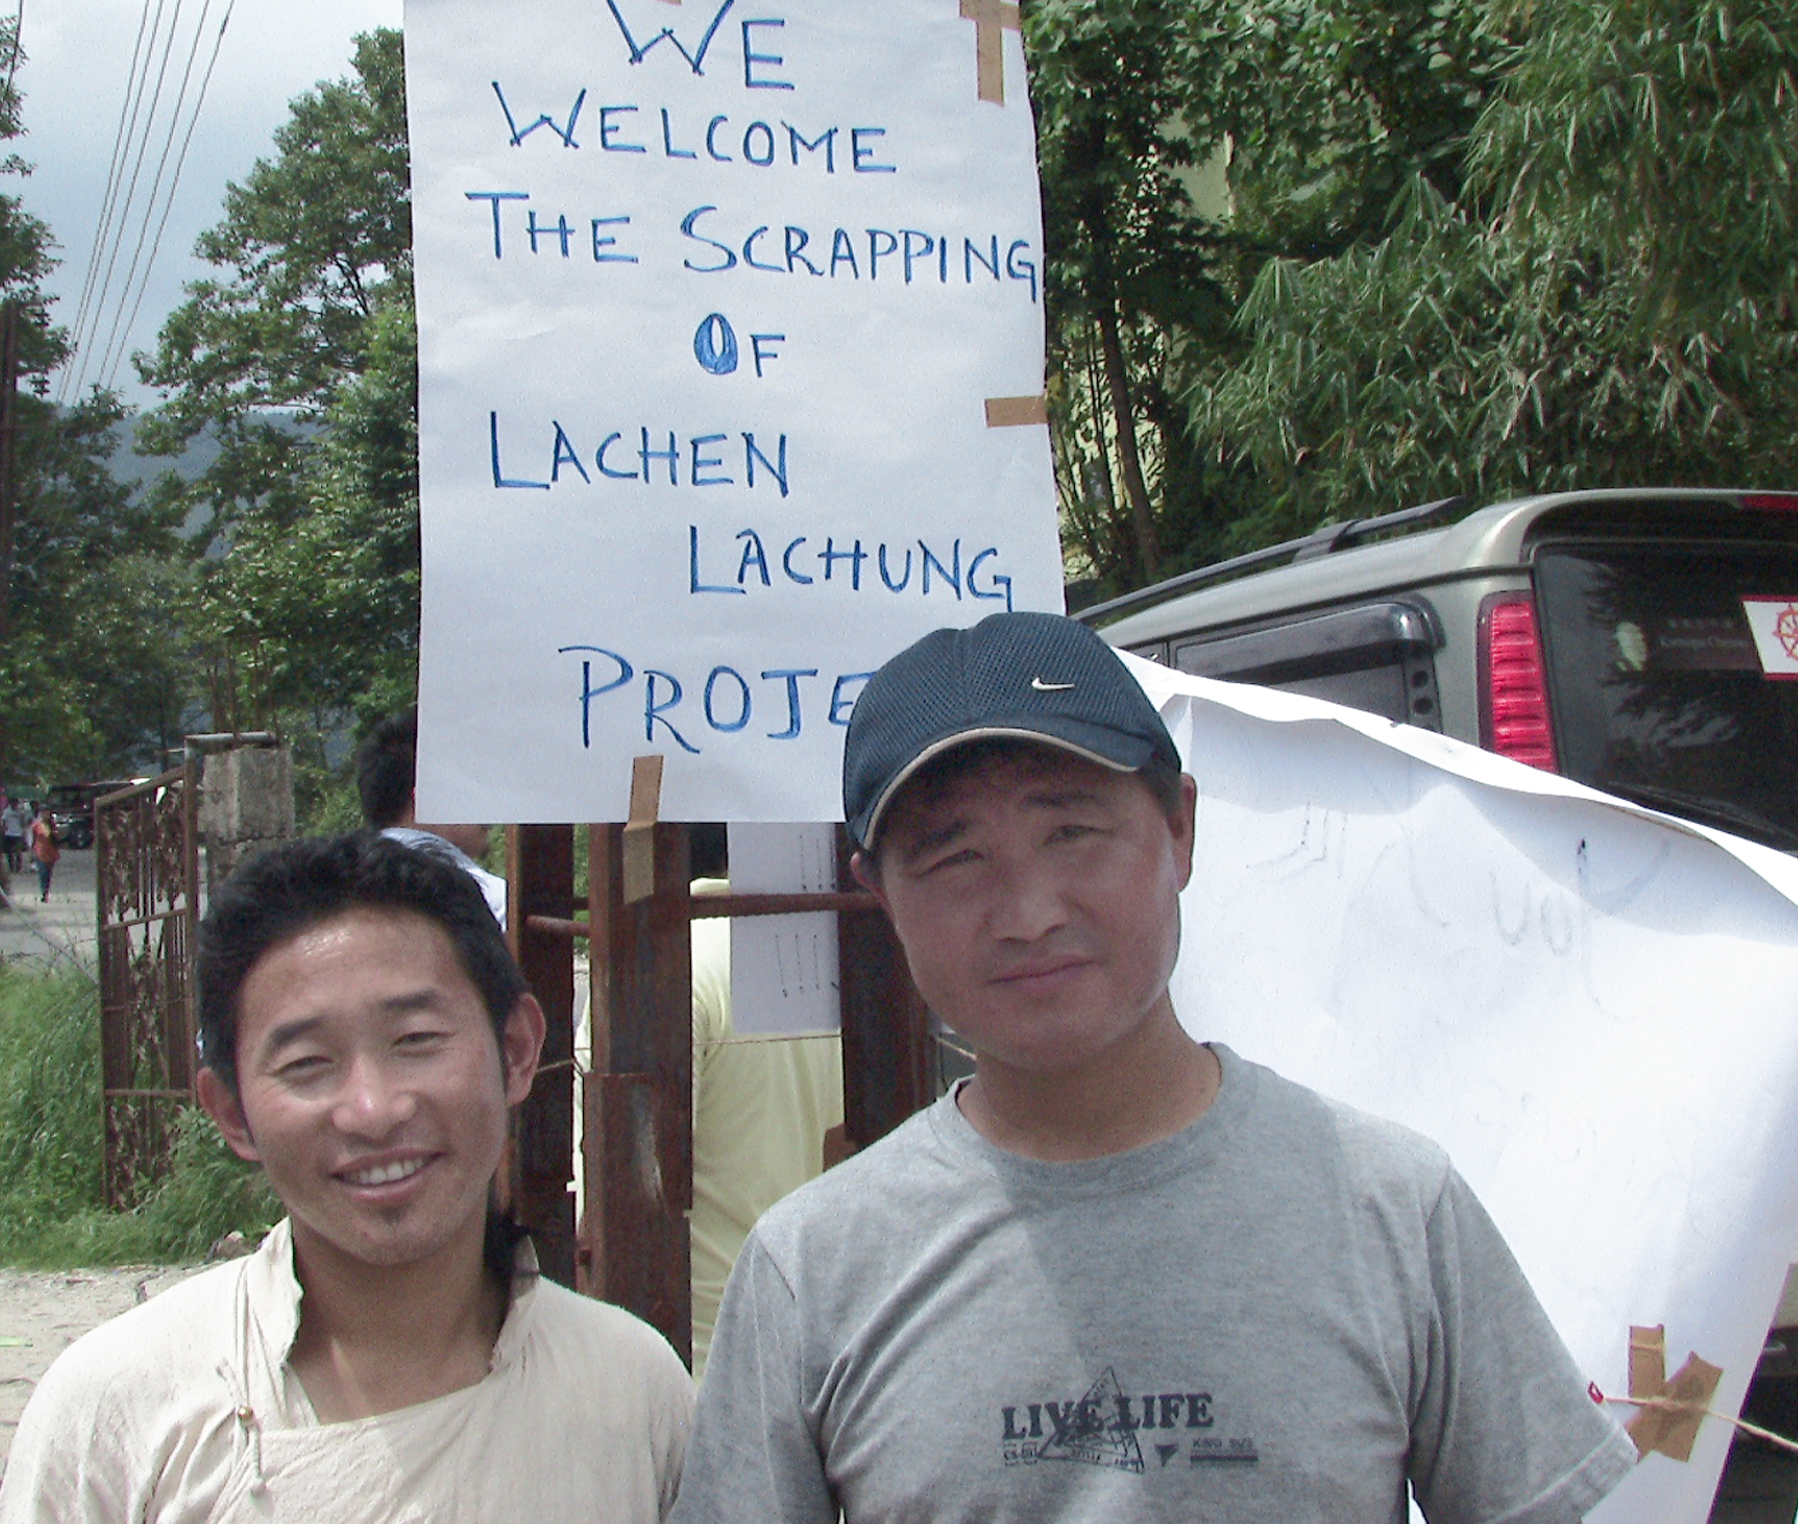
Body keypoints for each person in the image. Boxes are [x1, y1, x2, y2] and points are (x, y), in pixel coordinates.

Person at [670, 611, 1637, 1524]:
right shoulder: (814, 1271)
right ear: (878, 894)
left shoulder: (1391, 1210)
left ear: (1180, 827)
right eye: (956, 857)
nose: (1029, 911)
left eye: (1073, 833)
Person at [0, 834, 692, 1522]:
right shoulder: (120, 1412)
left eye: (416, 1041)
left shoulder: (633, 1391)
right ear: (232, 1113)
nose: (373, 1110)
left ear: (514, 1051)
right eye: (306, 1064)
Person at [683, 824, 844, 1381]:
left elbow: (618, 1196)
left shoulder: (674, 965)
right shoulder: (826, 963)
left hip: (699, 1361)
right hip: (815, 1350)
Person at [356, 708, 507, 925]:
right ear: (428, 797)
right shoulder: (497, 905)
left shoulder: (328, 894)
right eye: (474, 786)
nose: (489, 805)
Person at [27, 802, 58, 903]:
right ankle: (43, 892)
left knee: (48, 873)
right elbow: (32, 839)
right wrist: (31, 852)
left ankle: (46, 890)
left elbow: (57, 838)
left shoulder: (52, 825)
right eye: (44, 812)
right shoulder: (36, 825)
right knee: (42, 872)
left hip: (50, 852)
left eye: (47, 812)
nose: (46, 814)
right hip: (40, 851)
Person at [0, 797, 27, 874]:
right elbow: (4, 821)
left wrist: (23, 832)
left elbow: (22, 822)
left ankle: (18, 867)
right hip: (9, 833)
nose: (14, 805)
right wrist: (4, 830)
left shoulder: (20, 812)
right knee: (9, 852)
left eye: (15, 803)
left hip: (18, 834)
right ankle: (11, 866)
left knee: (18, 851)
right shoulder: (6, 812)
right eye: (12, 803)